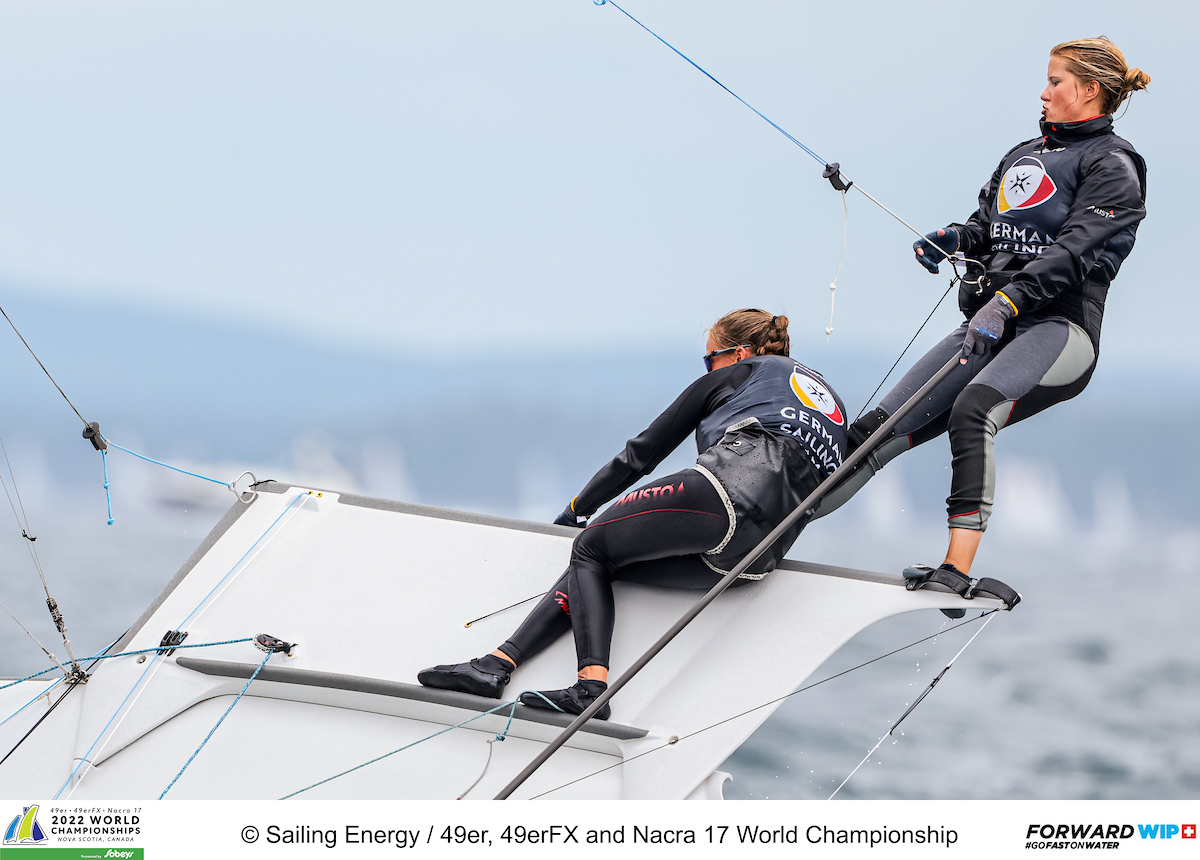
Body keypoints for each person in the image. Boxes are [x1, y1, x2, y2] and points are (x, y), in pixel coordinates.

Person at [818, 37, 1149, 593]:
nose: (1043, 93)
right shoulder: (1024, 154)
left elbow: (1073, 253)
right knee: (875, 432)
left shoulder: (1113, 166)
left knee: (973, 410)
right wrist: (955, 237)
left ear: (1089, 90)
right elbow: (988, 227)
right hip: (988, 326)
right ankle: (768, 534)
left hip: (1057, 329)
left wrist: (1008, 301)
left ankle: (956, 570)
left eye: (1055, 82)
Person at [418, 309, 847, 719]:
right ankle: (495, 666)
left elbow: (640, 454)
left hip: (724, 492)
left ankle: (590, 687)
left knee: (590, 547)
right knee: (607, 564)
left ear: (738, 354)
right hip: (756, 557)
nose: (707, 369)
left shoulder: (744, 372)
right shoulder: (834, 406)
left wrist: (577, 509)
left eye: (709, 359)